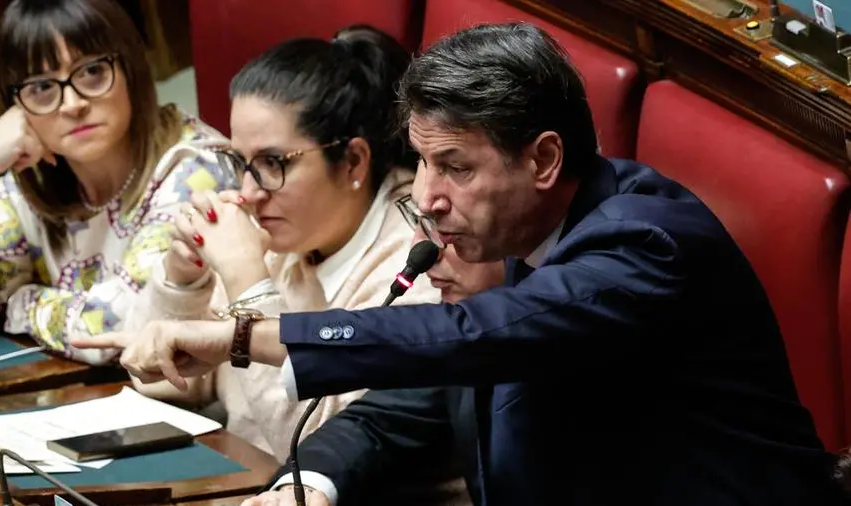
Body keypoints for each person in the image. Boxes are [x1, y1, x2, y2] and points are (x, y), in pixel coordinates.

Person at [74, 22, 843, 504]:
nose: (427, 198)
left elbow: (473, 336)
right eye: (422, 163)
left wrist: (242, 334)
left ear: (544, 159)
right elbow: (395, 411)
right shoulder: (513, 248)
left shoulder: (643, 244)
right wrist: (308, 486)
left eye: (456, 167)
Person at [122, 25, 441, 461]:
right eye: (240, 162)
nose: (249, 192)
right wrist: (183, 277)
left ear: (353, 161)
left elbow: (321, 455)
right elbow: (160, 378)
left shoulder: (420, 263)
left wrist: (247, 284)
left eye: (273, 163)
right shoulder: (285, 234)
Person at [0, 0, 236, 365]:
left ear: (130, 67)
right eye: (42, 86)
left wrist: (20, 303)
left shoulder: (195, 167)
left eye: (92, 71)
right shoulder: (26, 179)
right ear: (17, 105)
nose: (72, 104)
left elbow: (124, 331)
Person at [256, 242, 503, 506]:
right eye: (418, 222)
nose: (422, 248)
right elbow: (375, 423)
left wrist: (251, 299)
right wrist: (304, 487)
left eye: (445, 229)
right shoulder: (463, 335)